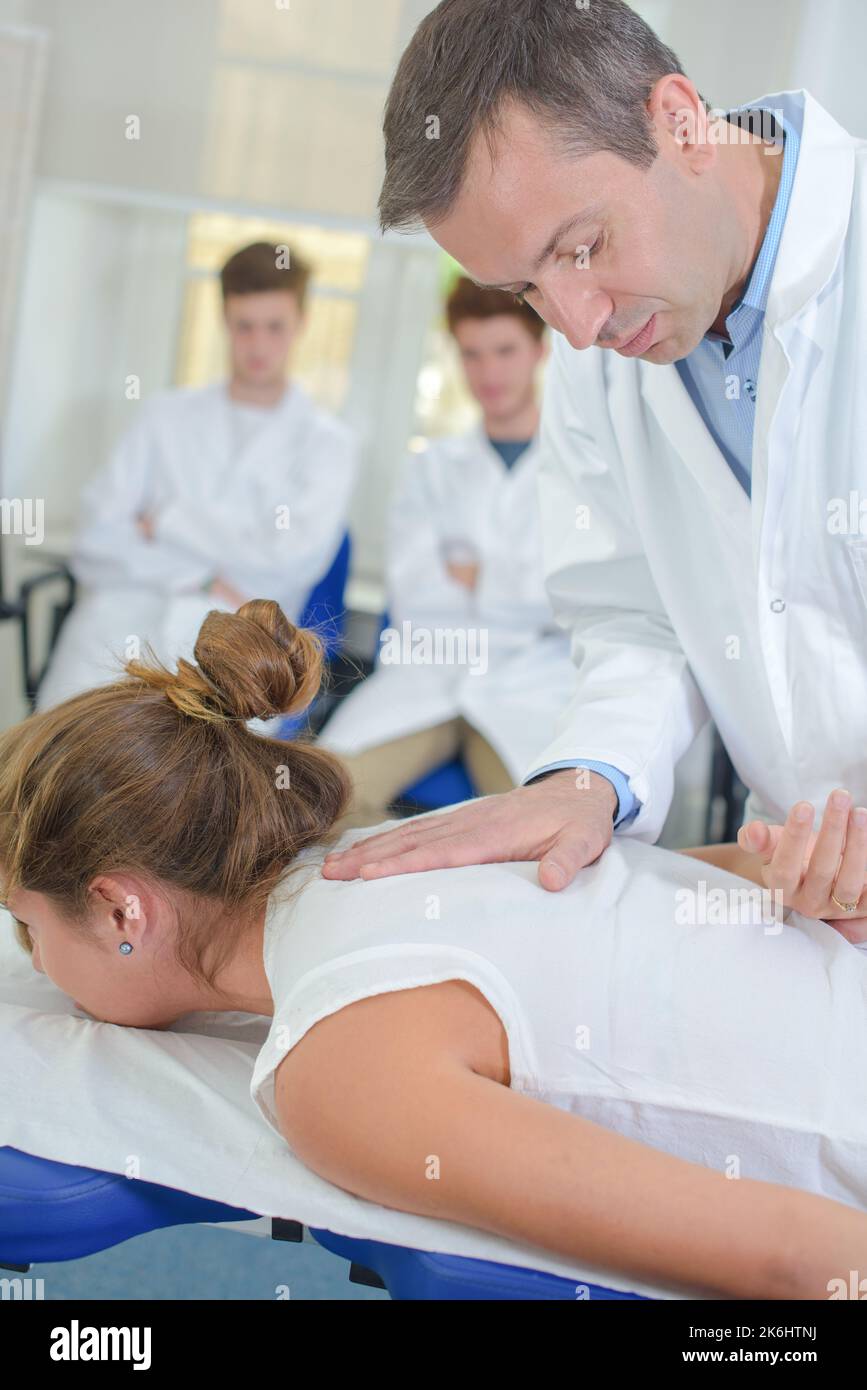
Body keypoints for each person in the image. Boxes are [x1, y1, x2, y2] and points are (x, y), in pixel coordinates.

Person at [2, 599, 866, 1300]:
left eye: (25, 926)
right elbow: (674, 897)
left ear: (121, 911)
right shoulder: (430, 846)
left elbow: (796, 1261)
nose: (31, 963)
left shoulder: (337, 1080)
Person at [321, 0, 867, 943]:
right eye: (528, 288)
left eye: (581, 247)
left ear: (681, 121)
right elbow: (636, 614)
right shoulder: (602, 353)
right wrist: (591, 777)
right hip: (822, 909)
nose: (575, 325)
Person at [35, 241, 358, 711]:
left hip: (238, 648)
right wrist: (207, 578)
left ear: (302, 323)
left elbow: (288, 566)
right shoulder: (163, 416)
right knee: (52, 762)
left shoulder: (328, 443)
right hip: (118, 620)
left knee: (190, 777)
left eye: (275, 327)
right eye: (244, 326)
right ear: (224, 319)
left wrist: (167, 520)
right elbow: (94, 543)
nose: (258, 345)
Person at [319, 277, 577, 826]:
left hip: (532, 686)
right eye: (472, 354)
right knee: (318, 804)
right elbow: (415, 595)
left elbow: (575, 600)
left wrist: (477, 579)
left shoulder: (583, 470)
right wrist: (520, 585)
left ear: (540, 348)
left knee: (542, 834)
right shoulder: (429, 469)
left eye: (504, 351)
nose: (488, 373)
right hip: (428, 671)